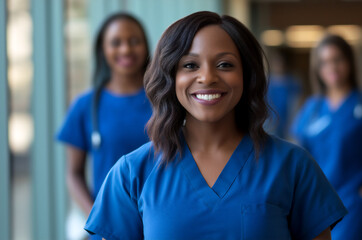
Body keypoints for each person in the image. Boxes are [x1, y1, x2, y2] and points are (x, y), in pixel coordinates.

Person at [84, 11, 347, 240]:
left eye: (225, 64)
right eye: (190, 65)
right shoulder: (131, 174)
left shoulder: (293, 166)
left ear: (247, 74)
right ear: (170, 76)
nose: (208, 77)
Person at [292, 34, 362, 240]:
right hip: (319, 201)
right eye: (324, 62)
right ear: (317, 68)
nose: (331, 67)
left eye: (338, 59)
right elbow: (299, 153)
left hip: (355, 201)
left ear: (349, 61)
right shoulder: (312, 108)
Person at [57, 12, 152, 223]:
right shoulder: (85, 106)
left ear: (146, 46)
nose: (126, 49)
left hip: (163, 220)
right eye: (116, 42)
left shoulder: (165, 101)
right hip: (110, 224)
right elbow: (74, 174)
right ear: (102, 49)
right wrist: (97, 218)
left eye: (134, 41)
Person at [265, 46, 301, 139]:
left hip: (287, 127)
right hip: (268, 127)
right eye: (277, 61)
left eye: (281, 61)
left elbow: (295, 108)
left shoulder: (293, 83)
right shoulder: (266, 83)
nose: (279, 64)